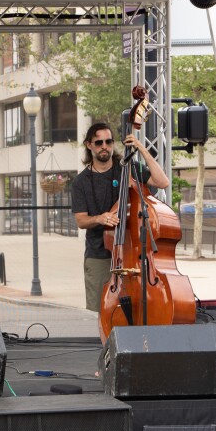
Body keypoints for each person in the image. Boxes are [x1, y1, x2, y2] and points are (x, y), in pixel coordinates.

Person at [70, 122, 170, 312]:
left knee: (140, 309)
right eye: (98, 143)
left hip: (132, 253)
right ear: (89, 145)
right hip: (99, 255)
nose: (104, 146)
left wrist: (141, 148)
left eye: (108, 141)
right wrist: (99, 218)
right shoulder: (80, 182)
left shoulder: (127, 168)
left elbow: (162, 181)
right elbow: (81, 221)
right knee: (100, 311)